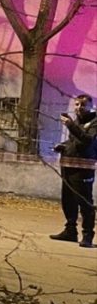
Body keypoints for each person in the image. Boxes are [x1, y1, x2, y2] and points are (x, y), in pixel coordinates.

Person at [50, 94, 97, 248]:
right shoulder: (77, 122)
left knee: (84, 202)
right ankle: (70, 231)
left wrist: (70, 125)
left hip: (83, 169)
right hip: (68, 166)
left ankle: (88, 235)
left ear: (91, 106)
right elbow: (73, 141)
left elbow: (87, 140)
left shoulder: (94, 122)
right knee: (68, 200)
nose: (79, 108)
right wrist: (62, 146)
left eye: (83, 104)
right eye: (76, 104)